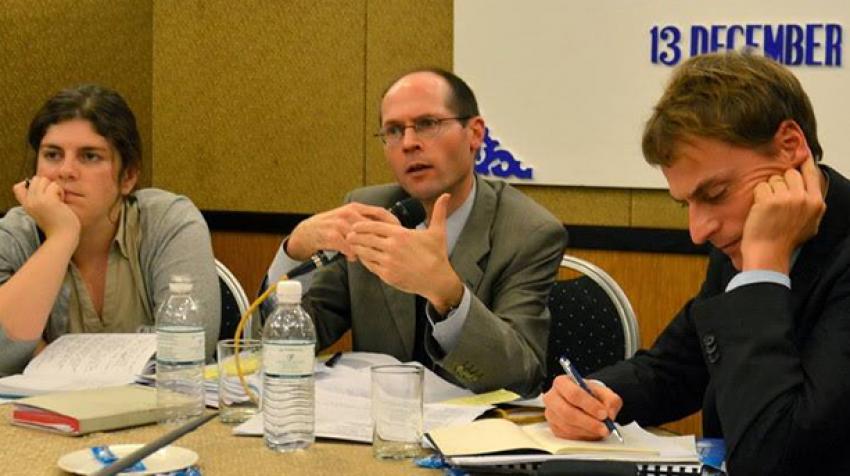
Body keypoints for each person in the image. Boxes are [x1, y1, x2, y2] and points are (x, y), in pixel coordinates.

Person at [543, 51, 850, 474]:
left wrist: (763, 272)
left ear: (789, 146)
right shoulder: (743, 236)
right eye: (686, 203)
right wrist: (598, 393)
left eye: (716, 193)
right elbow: (681, 365)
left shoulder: (765, 244)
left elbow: (777, 458)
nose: (699, 230)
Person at [265, 69, 567, 395]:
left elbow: (521, 377)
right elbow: (289, 340)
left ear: (475, 133)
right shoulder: (369, 211)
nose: (409, 143)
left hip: (475, 435)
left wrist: (449, 295)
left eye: (427, 124)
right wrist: (293, 251)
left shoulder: (528, 232)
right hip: (372, 428)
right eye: (393, 131)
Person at [0, 85, 220, 375]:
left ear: (127, 177)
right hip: (40, 417)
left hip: (156, 411)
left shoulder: (169, 221)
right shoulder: (15, 233)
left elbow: (189, 346)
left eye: (90, 156)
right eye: (52, 155)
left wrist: (44, 356)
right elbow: (3, 354)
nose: (65, 171)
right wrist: (62, 236)